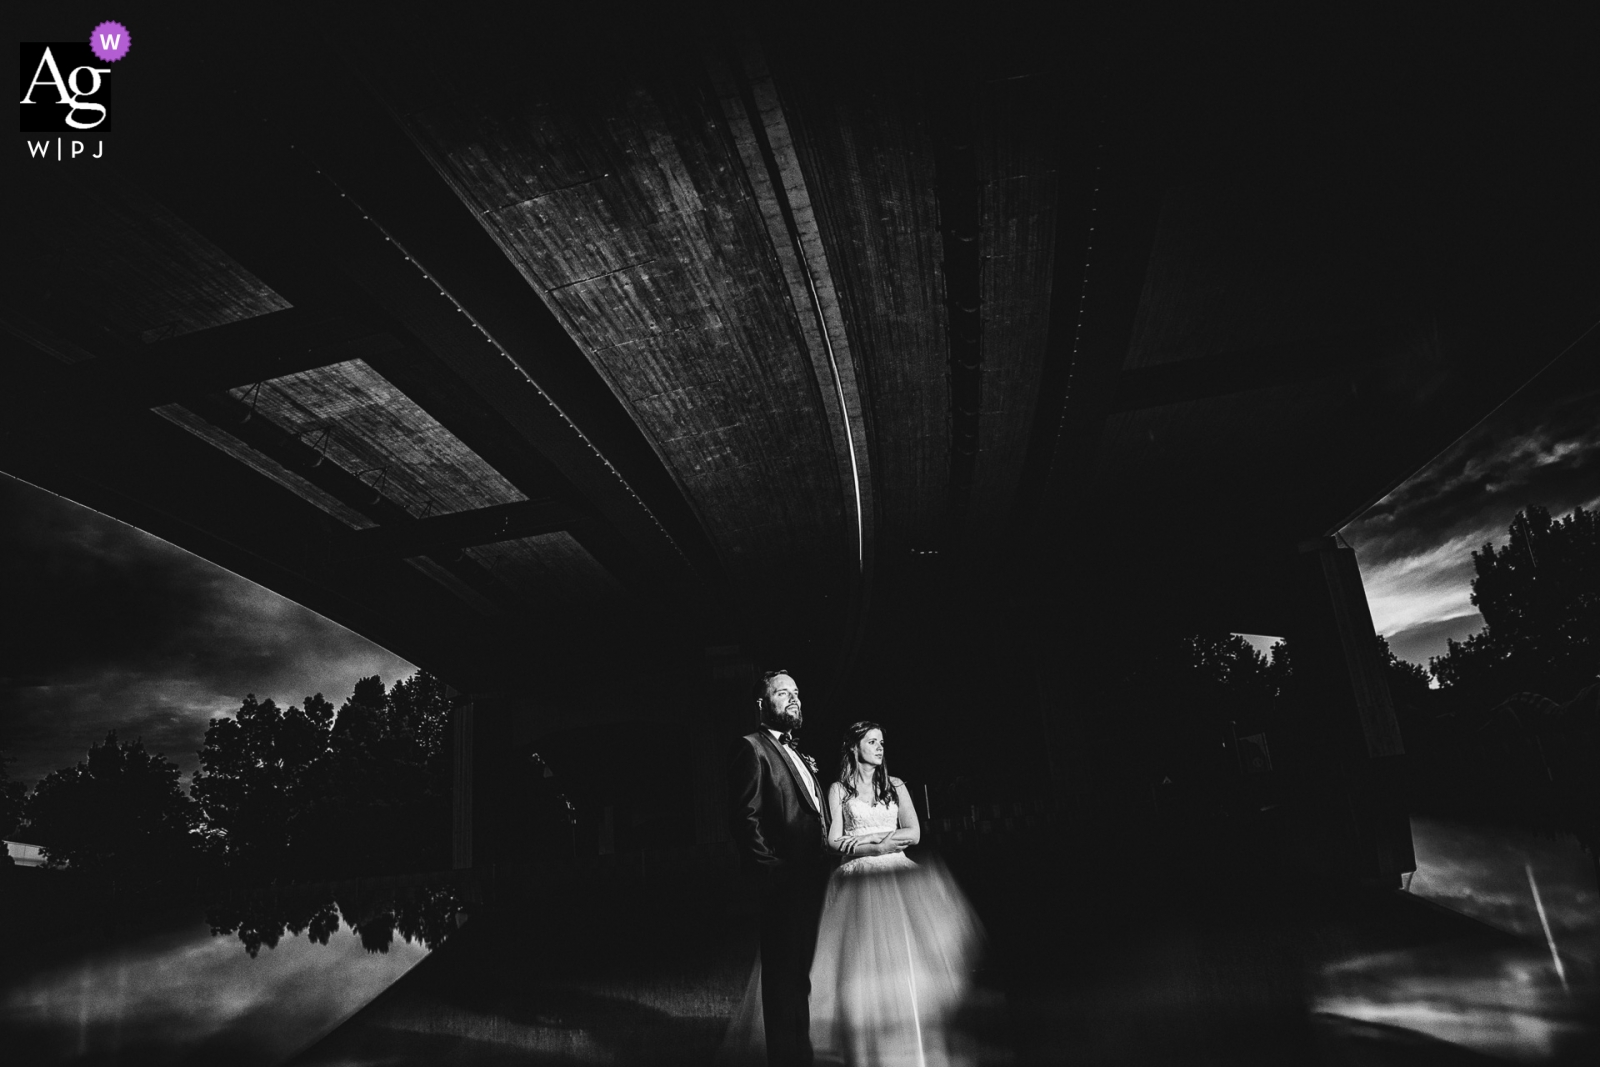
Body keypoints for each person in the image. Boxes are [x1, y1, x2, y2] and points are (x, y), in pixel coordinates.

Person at [810, 721, 983, 1067]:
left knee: (907, 956)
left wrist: (880, 843)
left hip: (898, 871)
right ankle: (865, 1035)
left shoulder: (896, 785)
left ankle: (911, 1031)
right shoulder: (838, 789)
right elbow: (833, 840)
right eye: (871, 741)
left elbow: (914, 833)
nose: (879, 747)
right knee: (861, 961)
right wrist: (872, 846)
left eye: (882, 742)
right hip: (858, 877)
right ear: (854, 747)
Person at [728, 669, 829, 1067]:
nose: (793, 698)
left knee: (800, 978)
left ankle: (800, 1056)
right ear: (761, 703)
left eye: (797, 693)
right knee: (785, 981)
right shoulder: (751, 748)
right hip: (784, 885)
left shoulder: (797, 751)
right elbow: (744, 820)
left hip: (812, 881)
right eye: (782, 692)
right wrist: (775, 875)